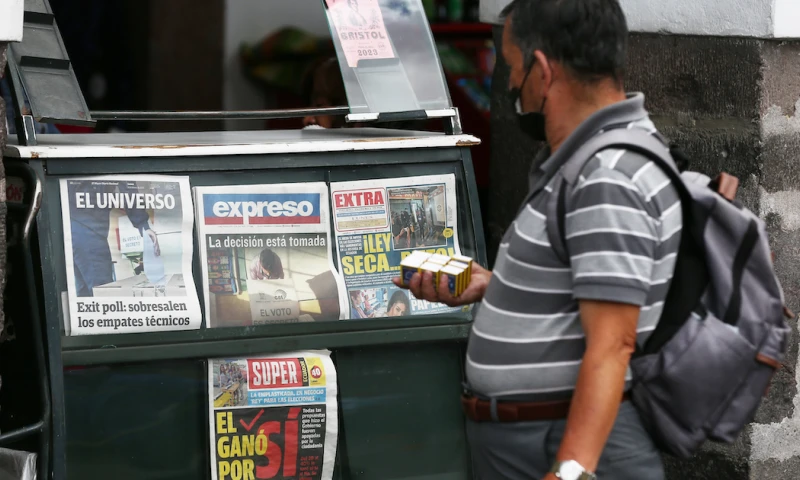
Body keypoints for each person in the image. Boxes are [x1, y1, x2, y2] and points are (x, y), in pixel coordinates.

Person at [393, 0, 680, 478]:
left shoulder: (606, 176)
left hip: (557, 443)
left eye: (511, 67)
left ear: (543, 71)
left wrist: (569, 470)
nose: (508, 85)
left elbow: (612, 344)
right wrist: (495, 286)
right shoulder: (584, 162)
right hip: (533, 438)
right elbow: (578, 284)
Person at [67, 181, 160, 297]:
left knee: (85, 294)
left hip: (72, 225)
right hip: (88, 228)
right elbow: (127, 188)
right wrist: (143, 225)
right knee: (104, 294)